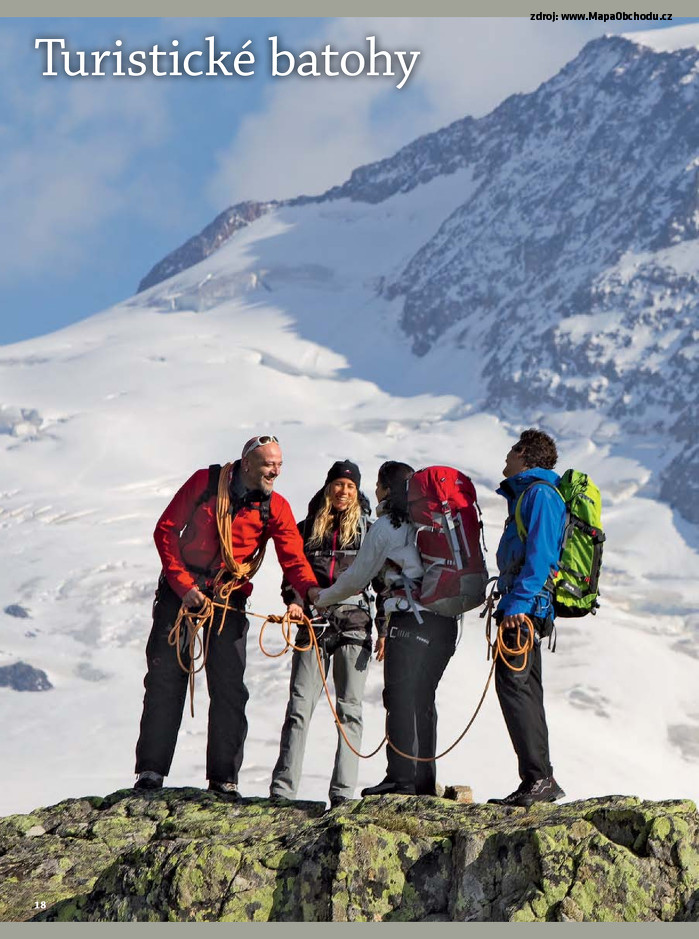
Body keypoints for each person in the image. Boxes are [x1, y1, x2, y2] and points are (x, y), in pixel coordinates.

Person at [133, 435, 318, 800]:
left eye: (279, 465)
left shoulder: (274, 507)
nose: (276, 471)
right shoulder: (204, 483)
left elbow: (293, 557)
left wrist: (308, 595)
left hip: (228, 598)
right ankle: (150, 772)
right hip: (181, 592)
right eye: (269, 464)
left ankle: (224, 779)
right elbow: (166, 530)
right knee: (165, 679)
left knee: (230, 687)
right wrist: (184, 586)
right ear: (247, 463)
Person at [311, 461, 458, 797]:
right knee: (424, 699)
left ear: (386, 488)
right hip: (446, 622)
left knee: (400, 697)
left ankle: (400, 778)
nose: (374, 491)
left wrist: (324, 599)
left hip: (409, 621)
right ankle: (423, 782)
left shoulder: (386, 526)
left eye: (378, 485)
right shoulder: (435, 520)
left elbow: (357, 578)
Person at [270, 460, 386, 808]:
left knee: (349, 709)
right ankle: (282, 793)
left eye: (350, 486)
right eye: (338, 484)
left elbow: (383, 584)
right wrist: (293, 601)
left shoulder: (370, 531)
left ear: (357, 491)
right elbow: (293, 571)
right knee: (298, 708)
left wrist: (385, 629)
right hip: (313, 622)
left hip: (356, 623)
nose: (343, 491)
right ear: (327, 487)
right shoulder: (307, 529)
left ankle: (342, 796)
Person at [488, 428, 567, 807]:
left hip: (525, 610)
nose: (504, 458)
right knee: (524, 691)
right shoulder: (532, 495)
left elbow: (539, 560)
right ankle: (538, 779)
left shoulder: (539, 495)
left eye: (510, 450)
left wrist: (516, 606)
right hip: (526, 608)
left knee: (516, 688)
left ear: (523, 454)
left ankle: (538, 779)